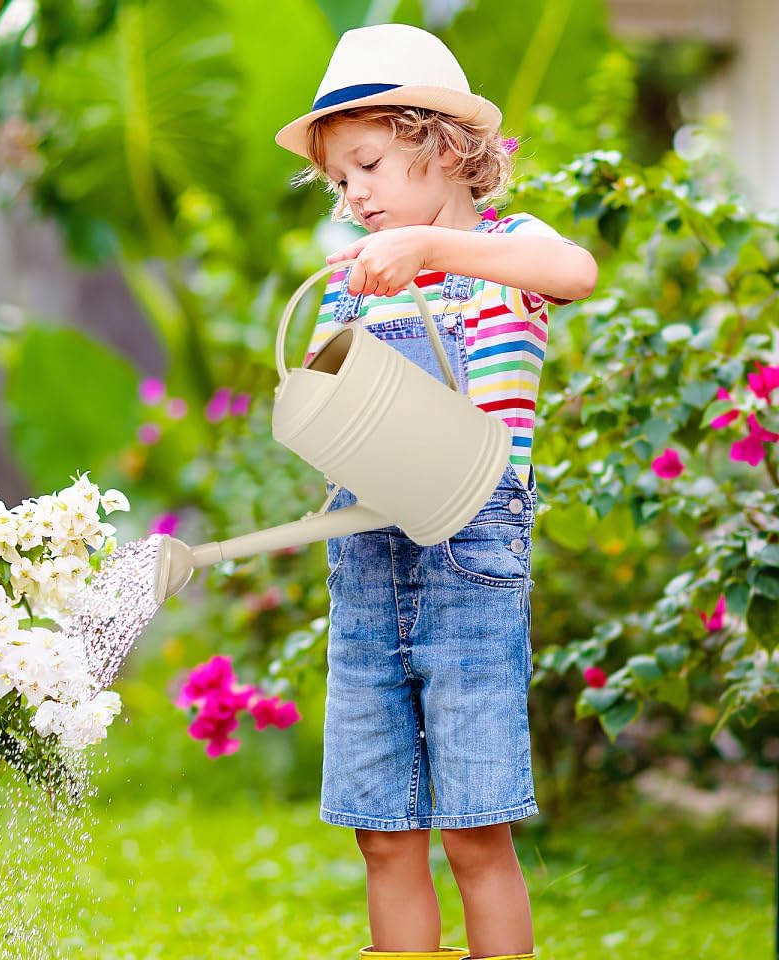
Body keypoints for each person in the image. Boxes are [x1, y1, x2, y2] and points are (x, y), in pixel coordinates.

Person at [274, 22, 598, 960]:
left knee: (474, 831)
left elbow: (574, 272)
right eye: (341, 180)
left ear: (445, 145)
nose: (355, 194)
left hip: (470, 562)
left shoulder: (506, 250)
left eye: (369, 165)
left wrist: (432, 248)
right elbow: (337, 411)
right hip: (368, 560)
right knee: (383, 832)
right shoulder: (351, 287)